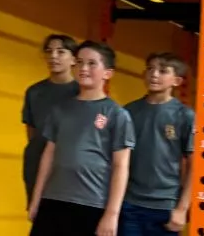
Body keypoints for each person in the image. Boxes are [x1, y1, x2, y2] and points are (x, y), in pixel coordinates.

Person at [29, 40, 134, 236]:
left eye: (92, 63)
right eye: (79, 62)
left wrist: (112, 214)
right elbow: (48, 156)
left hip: (92, 205)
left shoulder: (117, 114)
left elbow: (121, 166)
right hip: (53, 201)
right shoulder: (60, 110)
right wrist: (36, 200)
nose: (83, 68)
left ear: (107, 73)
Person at [119, 52, 195, 236]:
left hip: (166, 206)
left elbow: (196, 165)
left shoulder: (185, 116)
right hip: (129, 204)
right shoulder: (129, 111)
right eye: (150, 69)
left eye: (162, 71)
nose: (154, 74)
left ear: (176, 81)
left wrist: (182, 209)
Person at [22, 34, 80, 204]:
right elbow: (31, 130)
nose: (53, 56)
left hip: (70, 164)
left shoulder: (81, 92)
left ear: (73, 59)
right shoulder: (34, 91)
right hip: (37, 161)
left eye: (61, 52)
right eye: (49, 51)